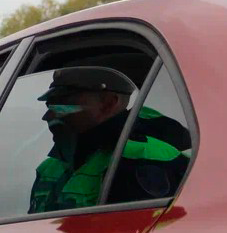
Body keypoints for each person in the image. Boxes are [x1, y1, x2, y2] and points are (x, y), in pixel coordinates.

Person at [29, 66, 189, 213]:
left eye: (62, 106)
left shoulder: (146, 160)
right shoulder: (49, 168)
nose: (48, 116)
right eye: (49, 106)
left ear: (108, 103)